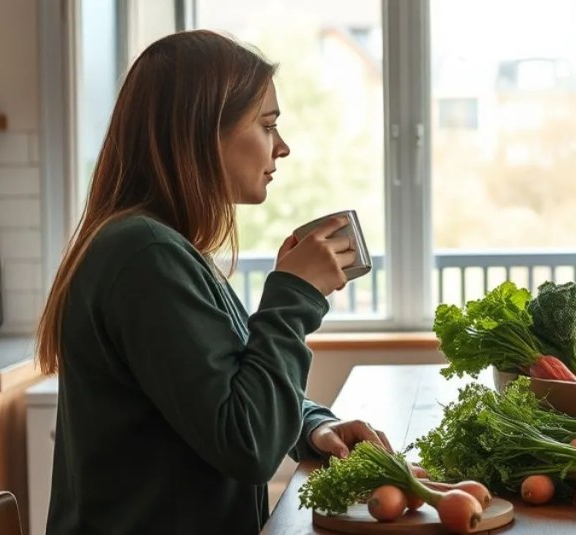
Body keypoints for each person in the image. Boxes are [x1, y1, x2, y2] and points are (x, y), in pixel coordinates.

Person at [35, 29, 391, 534]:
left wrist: (314, 426)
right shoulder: (146, 255)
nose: (282, 147)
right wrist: (294, 297)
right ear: (202, 132)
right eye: (267, 125)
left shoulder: (160, 247)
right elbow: (247, 444)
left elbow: (222, 388)